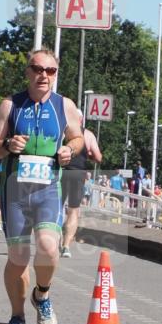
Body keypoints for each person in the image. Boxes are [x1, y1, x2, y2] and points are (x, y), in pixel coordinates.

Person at [0, 49, 83, 324]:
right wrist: (7, 145)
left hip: (48, 189)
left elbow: (77, 137)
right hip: (15, 191)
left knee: (49, 248)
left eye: (50, 70)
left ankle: (42, 294)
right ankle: (17, 318)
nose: (44, 75)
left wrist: (69, 149)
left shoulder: (64, 105)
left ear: (56, 74)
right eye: (38, 69)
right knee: (18, 257)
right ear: (28, 71)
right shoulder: (10, 105)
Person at [60, 110, 102, 258]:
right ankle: (66, 246)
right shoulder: (88, 135)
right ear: (82, 119)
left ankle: (56, 238)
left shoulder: (62, 132)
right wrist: (88, 155)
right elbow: (98, 157)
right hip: (78, 173)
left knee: (57, 206)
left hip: (61, 171)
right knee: (73, 210)